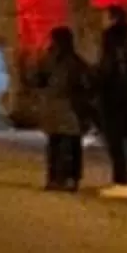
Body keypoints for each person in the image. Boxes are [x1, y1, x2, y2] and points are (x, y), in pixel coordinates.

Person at [94, 5, 127, 196]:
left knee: (116, 140)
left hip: (114, 96)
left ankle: (122, 181)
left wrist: (98, 83)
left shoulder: (111, 39)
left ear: (112, 19)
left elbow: (108, 68)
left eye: (105, 17)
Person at [35, 23, 93, 190]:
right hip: (68, 110)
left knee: (57, 145)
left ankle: (56, 178)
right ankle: (68, 178)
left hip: (60, 109)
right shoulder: (74, 62)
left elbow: (37, 80)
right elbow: (87, 85)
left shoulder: (51, 60)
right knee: (69, 146)